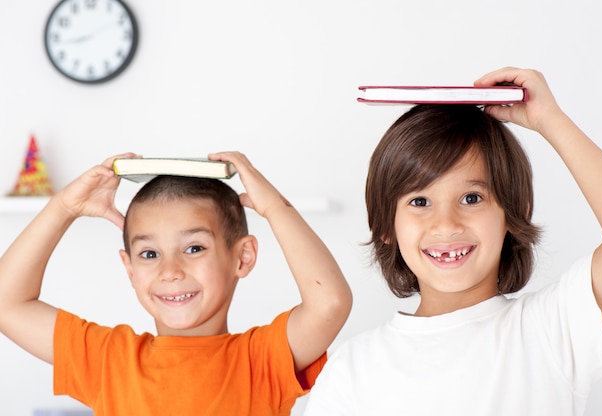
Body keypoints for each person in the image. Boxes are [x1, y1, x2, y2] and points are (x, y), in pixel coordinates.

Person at [304, 67, 602, 415]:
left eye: (471, 198)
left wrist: (550, 119)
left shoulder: (551, 330)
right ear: (386, 224)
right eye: (419, 202)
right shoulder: (352, 369)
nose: (446, 225)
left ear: (514, 212)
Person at [0, 151, 352, 415]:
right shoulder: (109, 359)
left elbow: (330, 303)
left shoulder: (261, 360)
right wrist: (63, 207)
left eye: (193, 248)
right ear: (130, 268)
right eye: (150, 254)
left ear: (242, 258)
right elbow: (7, 303)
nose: (170, 271)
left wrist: (276, 208)